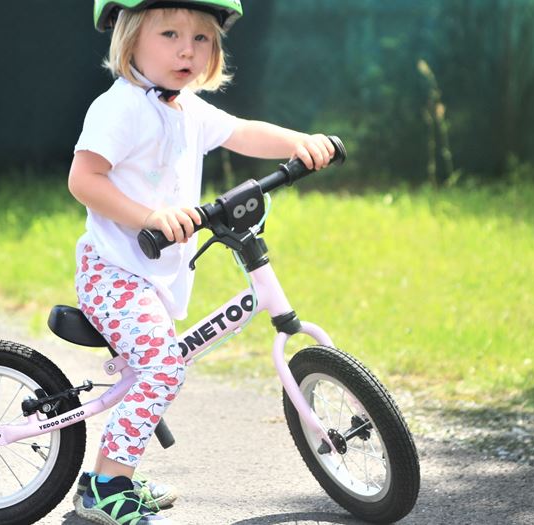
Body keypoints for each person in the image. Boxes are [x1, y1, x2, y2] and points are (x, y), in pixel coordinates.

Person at [68, 1, 335, 522]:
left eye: (202, 39)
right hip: (113, 273)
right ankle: (105, 487)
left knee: (156, 368)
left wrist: (300, 143)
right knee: (164, 365)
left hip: (150, 277)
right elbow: (84, 180)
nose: (187, 49)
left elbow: (242, 132)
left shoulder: (187, 108)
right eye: (169, 34)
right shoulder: (120, 107)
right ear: (130, 40)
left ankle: (115, 469)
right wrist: (149, 215)